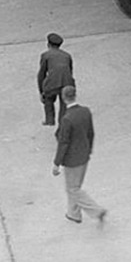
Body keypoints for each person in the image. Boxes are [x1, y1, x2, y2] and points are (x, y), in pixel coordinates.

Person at [51, 86, 107, 225]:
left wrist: (56, 163)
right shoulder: (85, 112)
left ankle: (96, 211)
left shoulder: (67, 119)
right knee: (75, 186)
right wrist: (89, 150)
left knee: (73, 189)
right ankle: (73, 213)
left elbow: (63, 143)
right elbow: (91, 133)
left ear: (64, 98)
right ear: (75, 95)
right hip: (84, 156)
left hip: (72, 160)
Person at [37, 33, 75, 126]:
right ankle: (62, 123)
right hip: (68, 83)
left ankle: (50, 119)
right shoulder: (67, 55)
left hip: (52, 84)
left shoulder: (45, 55)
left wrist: (41, 91)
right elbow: (70, 71)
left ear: (48, 44)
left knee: (48, 98)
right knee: (64, 104)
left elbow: (41, 74)